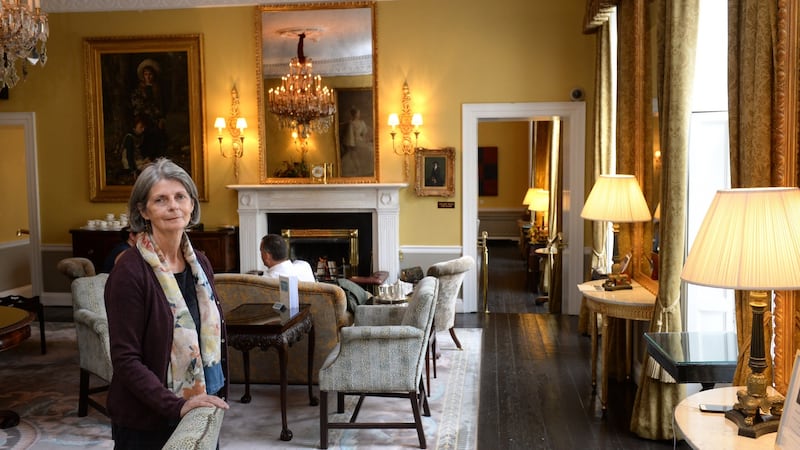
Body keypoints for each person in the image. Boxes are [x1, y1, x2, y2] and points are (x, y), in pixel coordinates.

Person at [104, 158, 229, 449]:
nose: (173, 206)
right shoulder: (130, 273)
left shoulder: (200, 262)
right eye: (160, 199)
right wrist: (175, 406)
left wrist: (207, 400)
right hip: (146, 421)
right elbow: (125, 359)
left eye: (180, 197)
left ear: (191, 205)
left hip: (201, 405)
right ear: (143, 210)